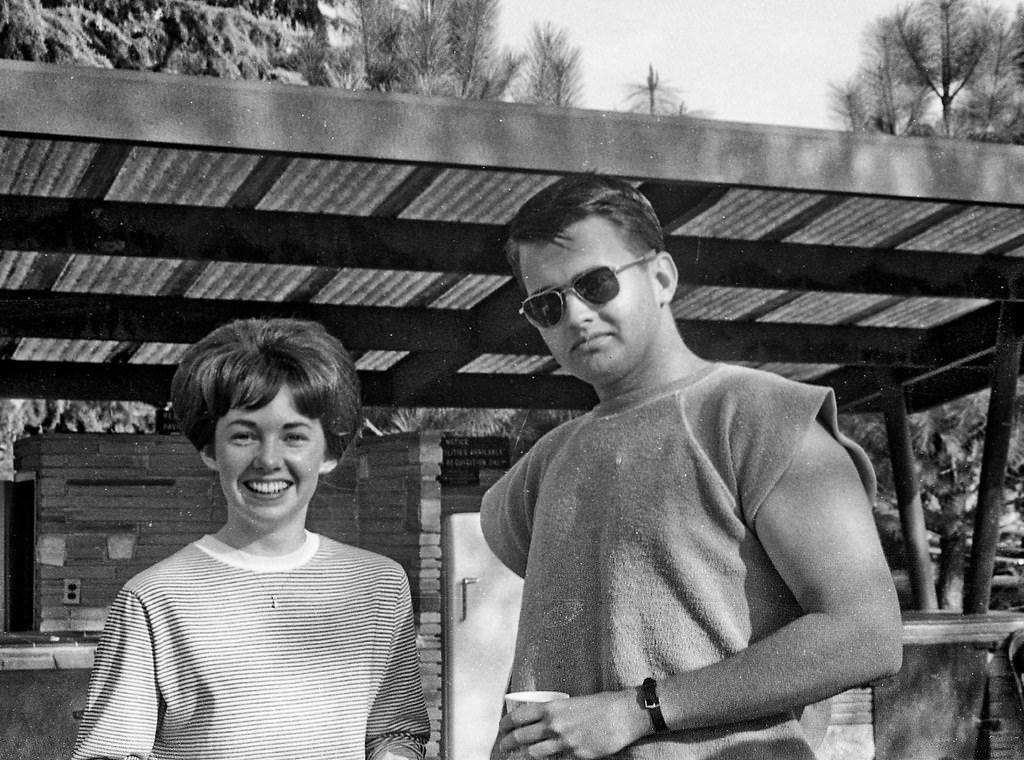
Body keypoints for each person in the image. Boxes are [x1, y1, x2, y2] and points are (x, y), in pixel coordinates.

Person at [480, 175, 903, 759]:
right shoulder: (540, 469)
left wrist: (640, 710)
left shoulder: (757, 416)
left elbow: (867, 635)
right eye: (547, 304)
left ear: (661, 277)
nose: (575, 315)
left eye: (596, 284)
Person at [72, 318, 430, 760]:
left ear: (331, 452)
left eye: (294, 436)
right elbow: (107, 754)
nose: (268, 459)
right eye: (243, 435)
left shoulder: (379, 585)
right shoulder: (152, 599)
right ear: (209, 447)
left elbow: (396, 731)